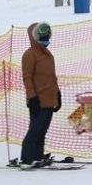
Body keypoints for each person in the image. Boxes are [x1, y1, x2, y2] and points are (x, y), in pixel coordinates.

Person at [20, 21, 60, 167]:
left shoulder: (48, 54)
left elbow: (52, 76)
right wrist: (32, 97)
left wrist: (58, 94)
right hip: (38, 100)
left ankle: (37, 155)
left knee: (42, 130)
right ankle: (27, 157)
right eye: (42, 37)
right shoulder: (30, 55)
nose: (46, 40)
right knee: (35, 129)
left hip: (49, 99)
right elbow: (27, 78)